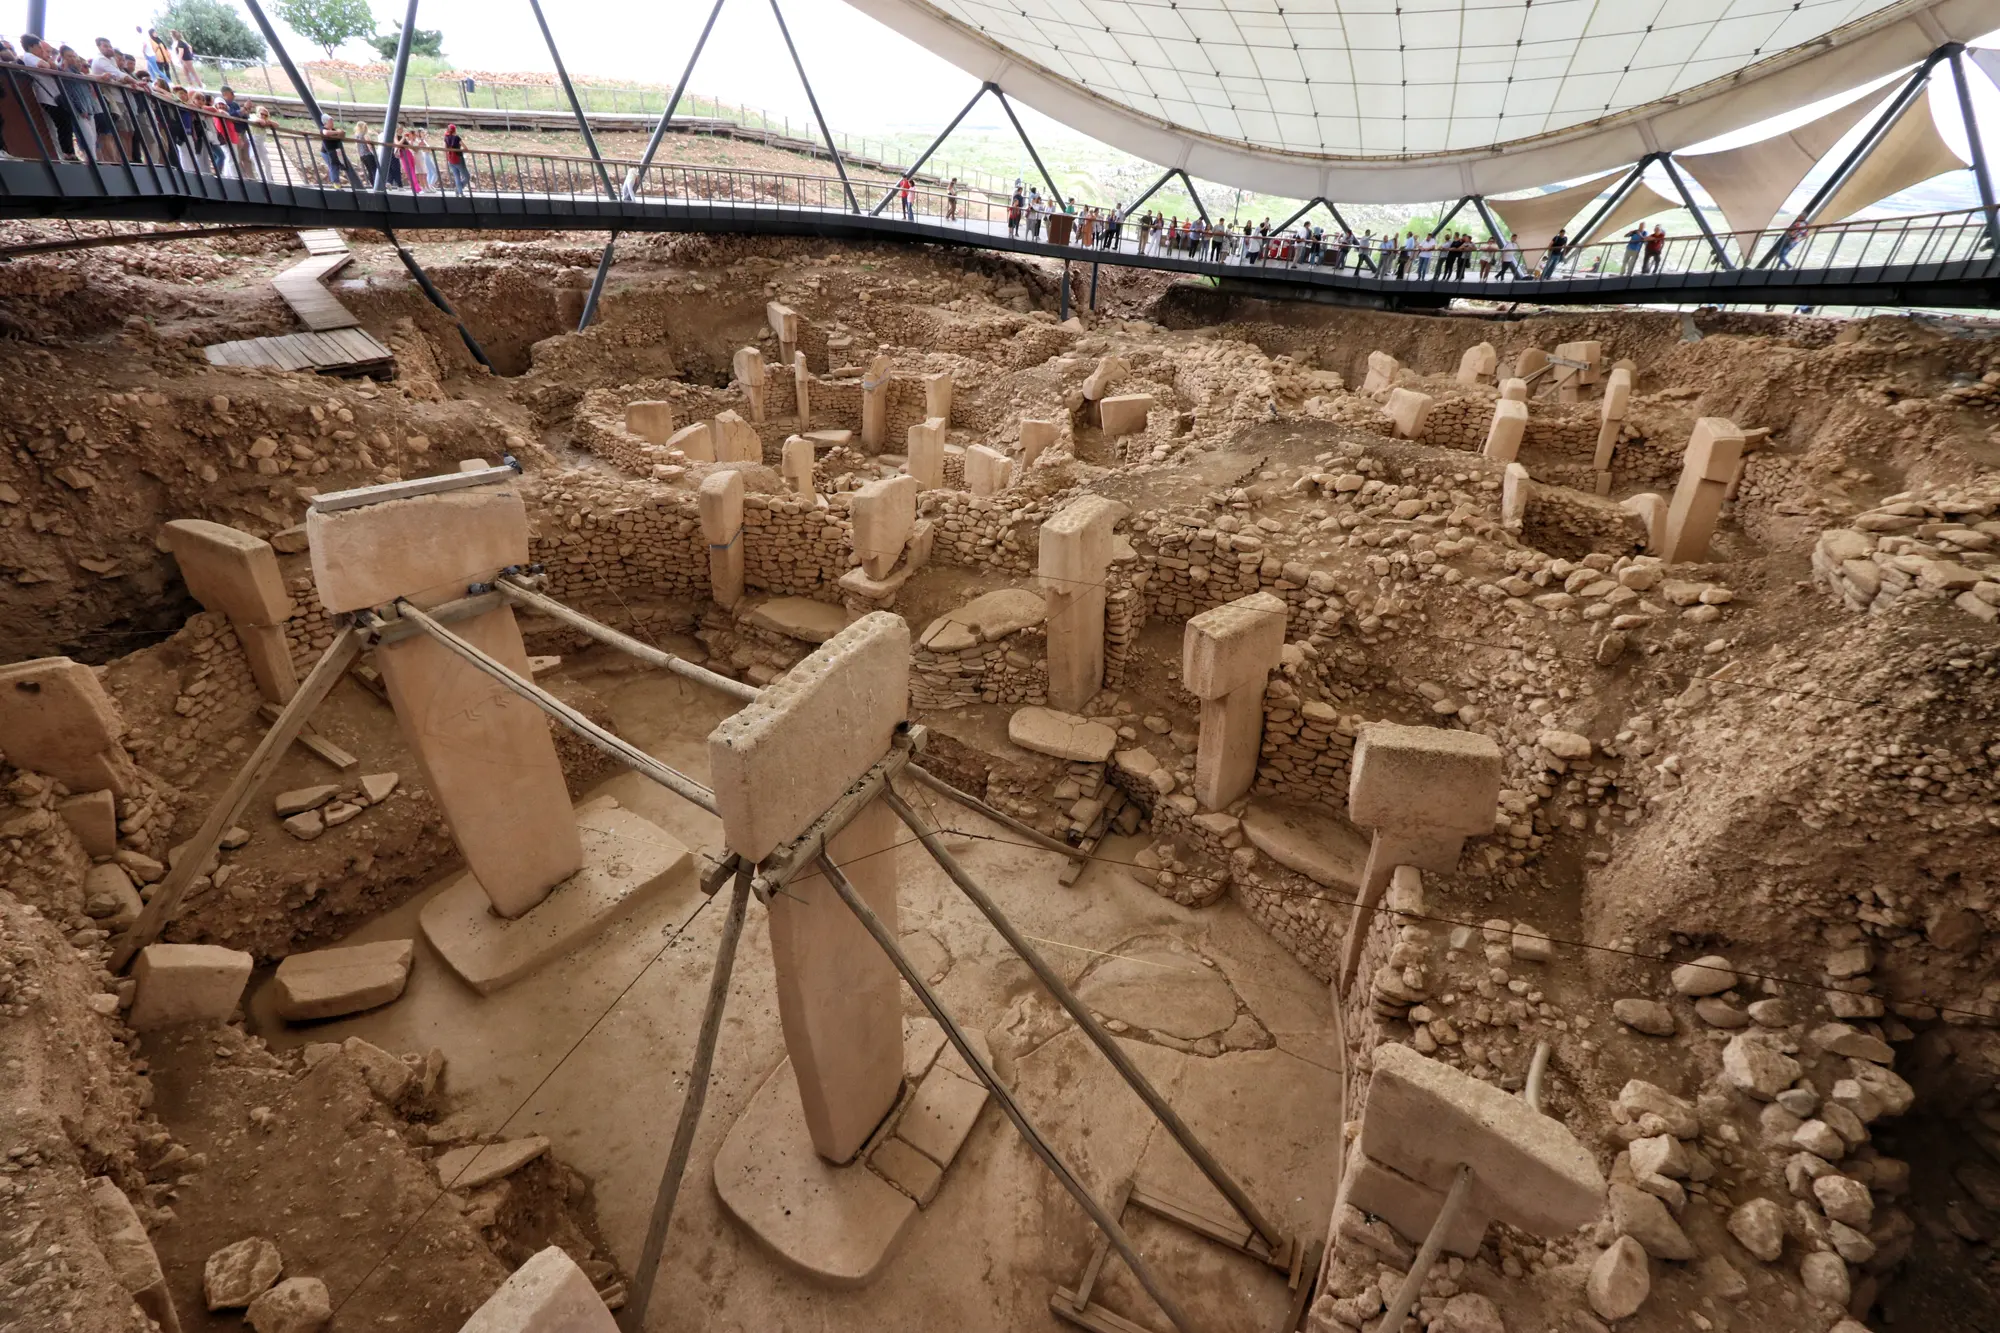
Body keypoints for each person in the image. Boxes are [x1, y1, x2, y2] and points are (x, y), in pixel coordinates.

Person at [320, 115, 354, 186]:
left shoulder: (333, 130)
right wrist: (338, 132)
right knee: (334, 165)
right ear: (326, 122)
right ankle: (336, 183)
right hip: (327, 152)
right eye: (331, 122)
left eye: (332, 121)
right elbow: (326, 133)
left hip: (336, 151)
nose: (332, 123)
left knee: (339, 165)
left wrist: (338, 132)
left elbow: (342, 134)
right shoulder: (323, 129)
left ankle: (334, 181)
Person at [444, 123, 470, 192]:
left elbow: (445, 149)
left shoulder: (446, 137)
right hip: (458, 159)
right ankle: (459, 188)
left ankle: (459, 191)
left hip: (450, 159)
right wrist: (460, 150)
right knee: (467, 176)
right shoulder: (457, 138)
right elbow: (466, 148)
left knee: (457, 177)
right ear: (454, 130)